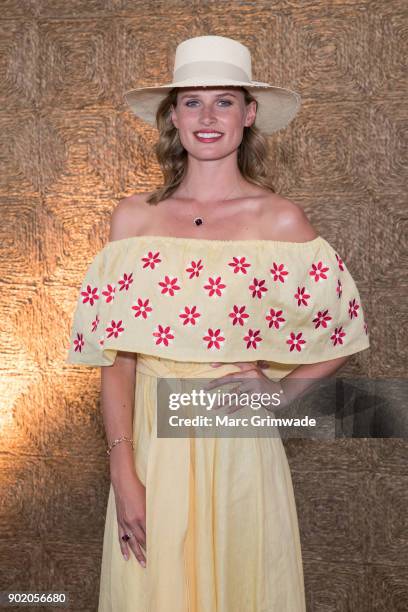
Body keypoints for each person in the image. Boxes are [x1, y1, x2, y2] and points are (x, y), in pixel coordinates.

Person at [66, 35, 370, 612]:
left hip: (237, 450)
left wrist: (280, 395)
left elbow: (342, 333)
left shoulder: (280, 220)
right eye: (192, 101)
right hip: (150, 449)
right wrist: (122, 471)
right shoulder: (133, 219)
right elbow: (117, 360)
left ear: (249, 114)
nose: (207, 117)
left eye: (224, 101)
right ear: (173, 116)